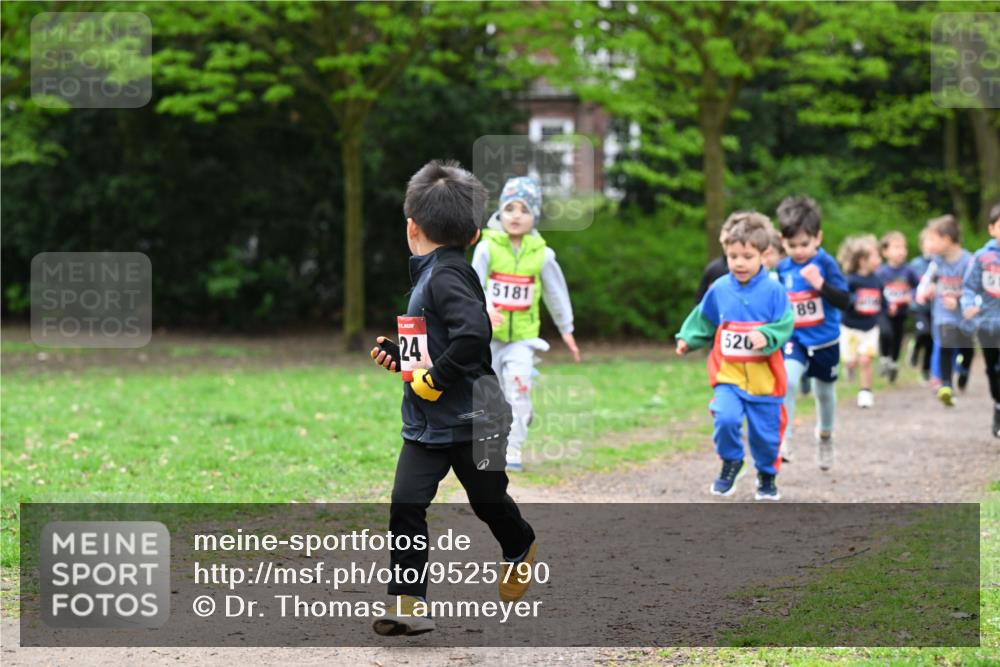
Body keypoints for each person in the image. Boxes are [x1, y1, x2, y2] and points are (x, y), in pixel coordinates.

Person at [368, 160, 537, 636]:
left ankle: (519, 543)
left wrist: (435, 379)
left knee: (488, 501)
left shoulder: (445, 276)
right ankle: (408, 603)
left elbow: (473, 336)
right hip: (427, 424)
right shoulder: (433, 276)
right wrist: (403, 358)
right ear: (477, 234)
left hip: (473, 418)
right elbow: (444, 344)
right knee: (406, 502)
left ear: (411, 227)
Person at [676, 213, 793, 501]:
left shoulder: (774, 291)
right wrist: (687, 339)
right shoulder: (720, 288)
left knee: (765, 435)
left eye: (747, 256)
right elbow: (704, 318)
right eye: (733, 256)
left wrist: (767, 335)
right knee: (725, 419)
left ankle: (766, 475)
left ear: (764, 256)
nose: (739, 262)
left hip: (765, 379)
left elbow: (786, 324)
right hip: (727, 374)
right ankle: (731, 461)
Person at [471, 176, 580, 472]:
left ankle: (513, 448)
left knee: (517, 389)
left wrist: (566, 329)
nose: (516, 215)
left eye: (524, 209)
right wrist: (486, 311)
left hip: (523, 338)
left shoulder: (542, 255)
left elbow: (557, 293)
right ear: (500, 213)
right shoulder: (487, 248)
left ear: (535, 215)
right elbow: (472, 286)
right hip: (490, 338)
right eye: (510, 208)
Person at [775, 196, 850, 470]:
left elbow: (844, 300)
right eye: (791, 245)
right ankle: (785, 439)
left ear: (818, 238)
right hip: (795, 338)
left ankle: (825, 436)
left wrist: (820, 285)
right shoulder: (782, 268)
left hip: (825, 340)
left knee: (824, 394)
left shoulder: (826, 264)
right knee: (789, 382)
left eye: (804, 244)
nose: (798, 251)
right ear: (782, 241)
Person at [916, 214, 974, 407]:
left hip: (965, 316)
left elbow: (975, 288)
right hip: (943, 314)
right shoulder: (936, 262)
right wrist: (924, 292)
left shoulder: (968, 261)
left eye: (933, 239)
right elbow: (927, 280)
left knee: (967, 350)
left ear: (947, 239)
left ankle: (964, 371)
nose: (929, 244)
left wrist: (959, 302)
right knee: (946, 344)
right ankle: (946, 385)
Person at [961, 202, 1000, 437]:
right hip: (987, 324)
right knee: (993, 370)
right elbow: (968, 287)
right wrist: (969, 305)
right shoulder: (982, 257)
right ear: (991, 229)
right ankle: (998, 405)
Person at [836, 234, 884, 408]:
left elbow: (881, 300)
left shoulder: (877, 280)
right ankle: (848, 367)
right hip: (850, 328)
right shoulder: (850, 280)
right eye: (876, 256)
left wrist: (887, 308)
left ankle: (865, 392)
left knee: (866, 360)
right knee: (851, 361)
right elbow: (843, 301)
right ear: (863, 260)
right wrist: (854, 299)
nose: (879, 259)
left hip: (870, 327)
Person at [876, 231, 920, 384]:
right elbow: (875, 290)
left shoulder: (909, 271)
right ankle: (884, 358)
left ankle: (894, 363)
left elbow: (919, 286)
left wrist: (911, 296)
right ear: (885, 252)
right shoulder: (880, 272)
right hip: (884, 312)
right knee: (886, 333)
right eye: (896, 247)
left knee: (898, 337)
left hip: (901, 312)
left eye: (903, 247)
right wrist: (885, 303)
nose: (901, 251)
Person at [908, 230, 935, 382]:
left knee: (931, 338)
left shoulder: (940, 263)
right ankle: (915, 349)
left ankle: (926, 369)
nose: (931, 245)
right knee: (923, 332)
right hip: (919, 308)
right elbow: (909, 285)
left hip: (935, 309)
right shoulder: (915, 264)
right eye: (927, 241)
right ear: (921, 245)